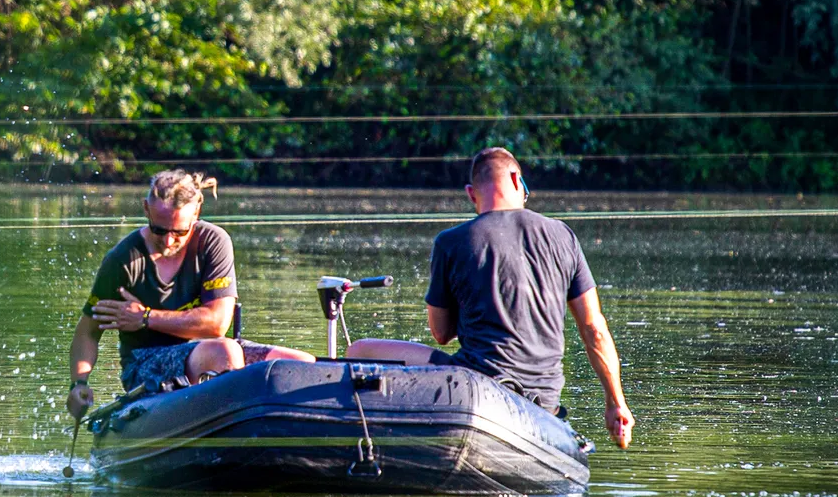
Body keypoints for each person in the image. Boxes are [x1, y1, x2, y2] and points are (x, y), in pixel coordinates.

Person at [345, 147, 634, 448]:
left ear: (471, 194)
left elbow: (441, 333)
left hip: (478, 389)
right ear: (517, 180)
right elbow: (594, 329)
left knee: (360, 350)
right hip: (545, 401)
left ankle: (366, 441)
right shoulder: (563, 236)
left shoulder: (452, 242)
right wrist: (616, 404)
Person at [67, 171, 315, 420]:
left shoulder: (214, 242)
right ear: (146, 209)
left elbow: (217, 323)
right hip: (145, 361)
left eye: (179, 232)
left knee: (302, 365)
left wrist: (145, 318)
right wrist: (79, 383)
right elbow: (88, 332)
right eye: (159, 230)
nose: (168, 241)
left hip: (211, 349)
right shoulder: (121, 260)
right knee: (225, 352)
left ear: (196, 213)